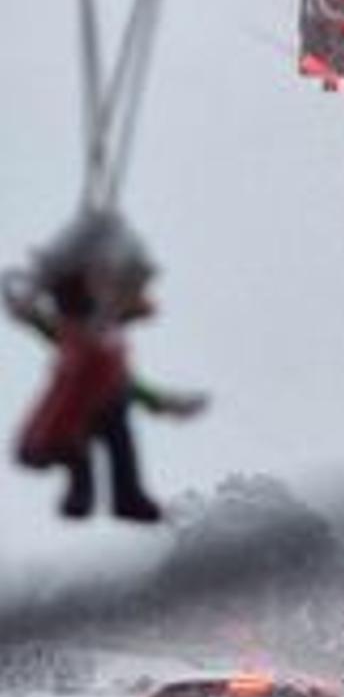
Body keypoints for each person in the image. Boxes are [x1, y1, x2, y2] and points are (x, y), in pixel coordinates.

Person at [4, 208, 207, 522]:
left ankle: (123, 496)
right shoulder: (82, 334)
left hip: (107, 401)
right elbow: (47, 322)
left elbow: (130, 384)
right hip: (80, 403)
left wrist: (166, 403)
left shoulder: (102, 340)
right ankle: (86, 493)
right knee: (79, 447)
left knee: (114, 445)